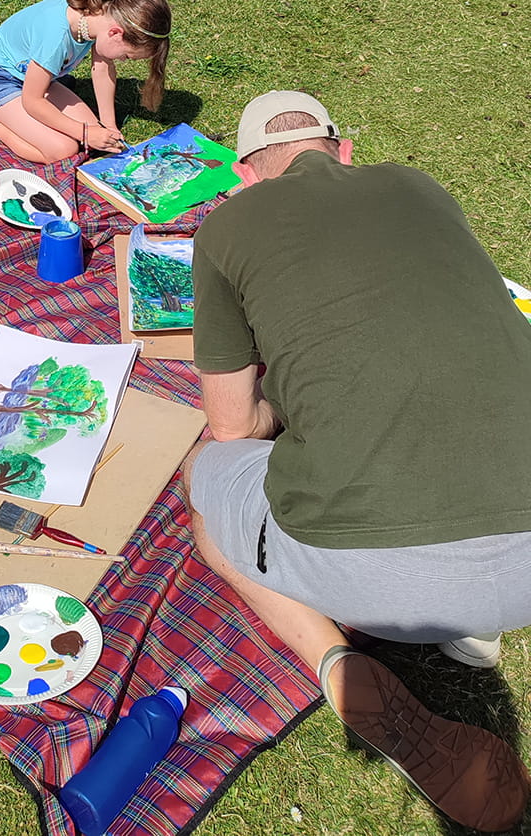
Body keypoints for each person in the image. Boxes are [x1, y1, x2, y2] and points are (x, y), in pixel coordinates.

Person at [184, 89, 531, 832]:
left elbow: (233, 424)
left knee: (204, 482)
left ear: (246, 173)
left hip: (383, 566)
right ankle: (466, 626)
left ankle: (338, 667)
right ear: (342, 150)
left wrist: (280, 402)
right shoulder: (418, 184)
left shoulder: (227, 225)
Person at [0, 0, 171, 164]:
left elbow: (103, 69)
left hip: (37, 78)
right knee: (63, 150)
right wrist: (85, 133)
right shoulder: (56, 37)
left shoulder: (103, 13)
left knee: (92, 134)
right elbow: (33, 101)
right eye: (127, 55)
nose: (124, 60)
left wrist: (108, 126)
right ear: (115, 33)